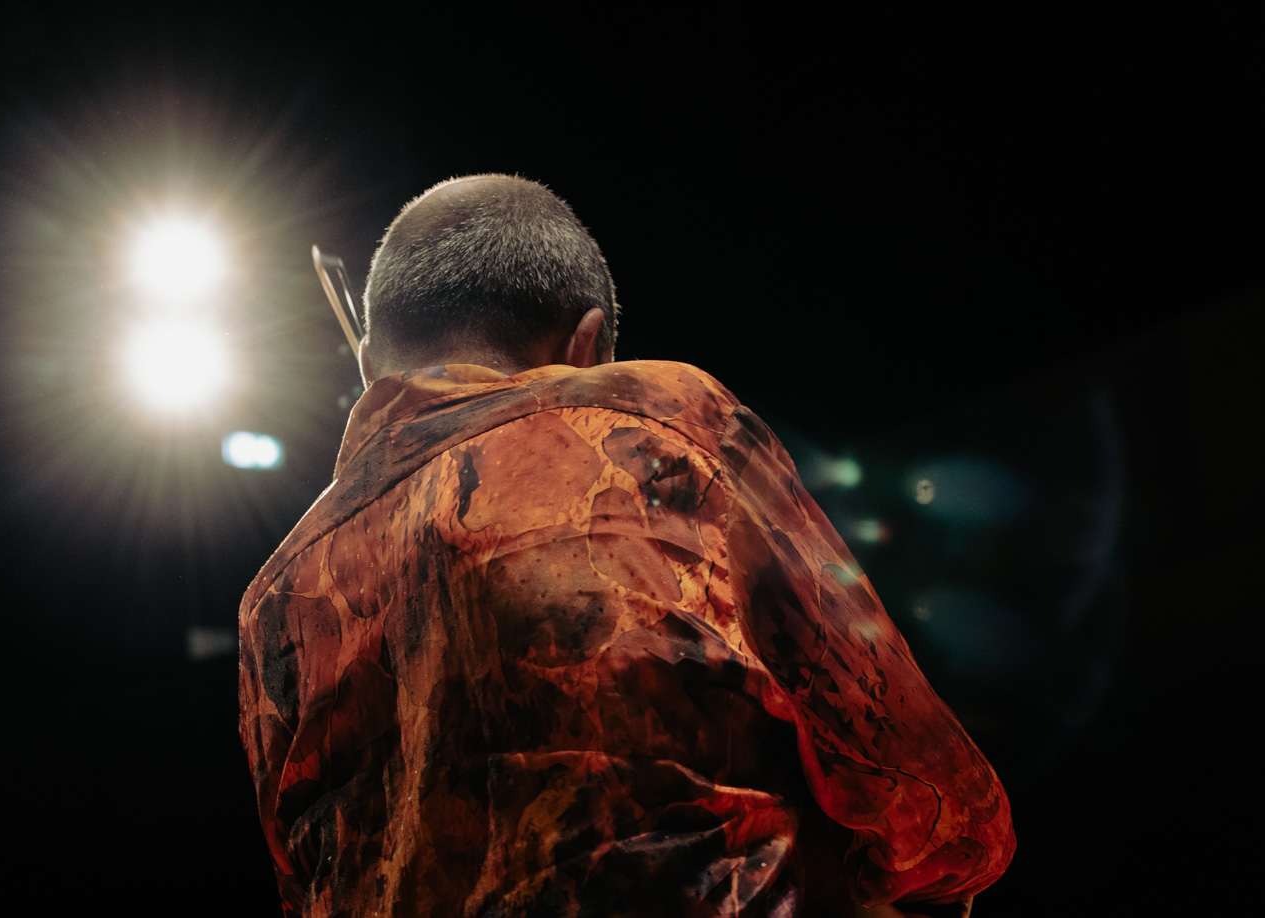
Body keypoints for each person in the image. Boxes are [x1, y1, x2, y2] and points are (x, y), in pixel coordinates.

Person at [238, 174, 1014, 917]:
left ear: (370, 366)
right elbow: (920, 783)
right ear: (585, 344)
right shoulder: (658, 417)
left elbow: (304, 881)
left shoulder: (272, 598)